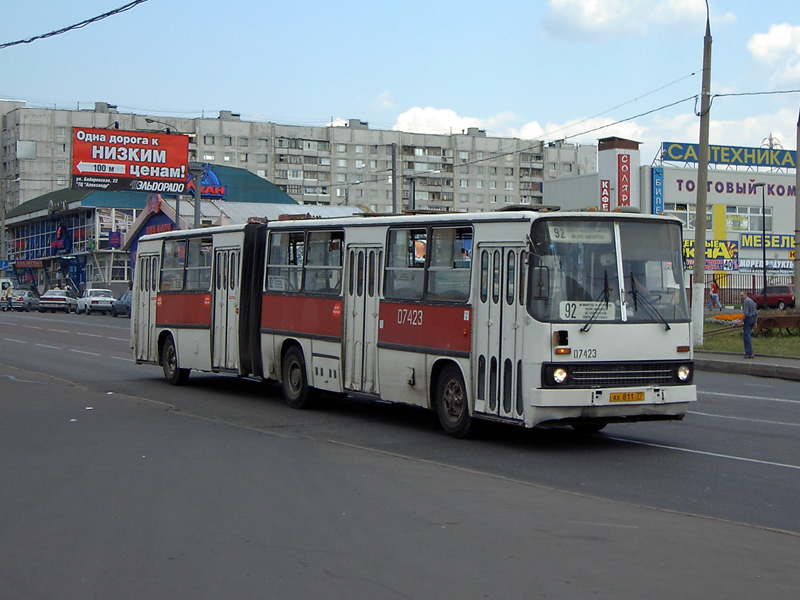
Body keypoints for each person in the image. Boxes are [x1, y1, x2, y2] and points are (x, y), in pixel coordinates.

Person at [740, 290, 758, 359]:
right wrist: (755, 322)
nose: (741, 297)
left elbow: (746, 313)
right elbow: (756, 312)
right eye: (740, 295)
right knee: (748, 335)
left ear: (745, 295)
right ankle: (749, 352)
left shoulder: (746, 301)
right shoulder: (751, 301)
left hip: (748, 319)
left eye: (742, 295)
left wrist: (741, 321)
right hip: (753, 318)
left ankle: (749, 352)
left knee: (746, 336)